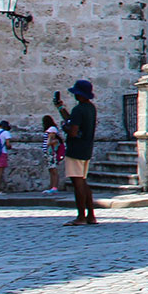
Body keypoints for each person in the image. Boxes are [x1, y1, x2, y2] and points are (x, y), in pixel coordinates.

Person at [61, 80, 100, 225]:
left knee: (77, 183)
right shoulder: (90, 108)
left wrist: (64, 127)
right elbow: (74, 121)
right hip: (86, 148)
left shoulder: (78, 109)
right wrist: (61, 110)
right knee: (83, 182)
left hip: (75, 149)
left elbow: (72, 131)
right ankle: (91, 215)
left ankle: (81, 216)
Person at [42, 114, 65, 192]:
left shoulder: (51, 129)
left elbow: (50, 140)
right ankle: (52, 186)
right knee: (51, 169)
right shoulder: (51, 129)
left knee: (53, 169)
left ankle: (54, 187)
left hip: (51, 152)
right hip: (48, 152)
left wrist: (49, 143)